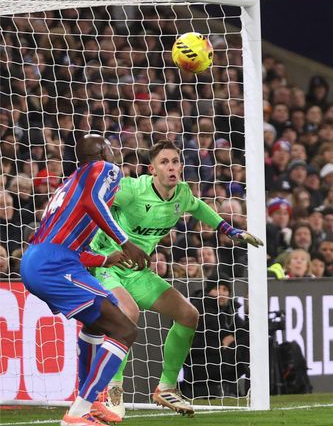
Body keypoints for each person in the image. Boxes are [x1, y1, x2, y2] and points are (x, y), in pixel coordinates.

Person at [90, 140, 263, 419]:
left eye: (175, 161)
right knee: (128, 314)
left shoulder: (181, 193)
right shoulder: (133, 190)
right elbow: (94, 200)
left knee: (188, 314)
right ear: (152, 169)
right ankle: (113, 390)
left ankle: (166, 387)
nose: (172, 167)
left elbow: (197, 208)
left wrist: (229, 230)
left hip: (137, 271)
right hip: (106, 265)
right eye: (164, 162)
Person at [20, 134, 149, 426]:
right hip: (53, 264)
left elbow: (67, 245)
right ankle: (79, 410)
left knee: (96, 323)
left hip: (45, 258)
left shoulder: (67, 185)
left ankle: (88, 403)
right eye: (110, 147)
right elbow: (94, 201)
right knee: (125, 330)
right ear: (103, 151)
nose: (114, 153)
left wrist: (106, 258)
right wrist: (126, 242)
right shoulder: (103, 168)